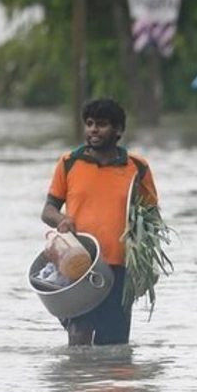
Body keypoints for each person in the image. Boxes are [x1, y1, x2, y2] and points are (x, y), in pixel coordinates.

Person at [41, 98, 160, 346]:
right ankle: (82, 382)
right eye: (90, 123)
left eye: (102, 124)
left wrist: (147, 265)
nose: (93, 129)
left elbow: (151, 218)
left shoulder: (137, 168)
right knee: (79, 336)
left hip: (119, 268)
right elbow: (48, 210)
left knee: (114, 345)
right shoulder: (69, 163)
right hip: (78, 265)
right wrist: (61, 219)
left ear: (118, 130)